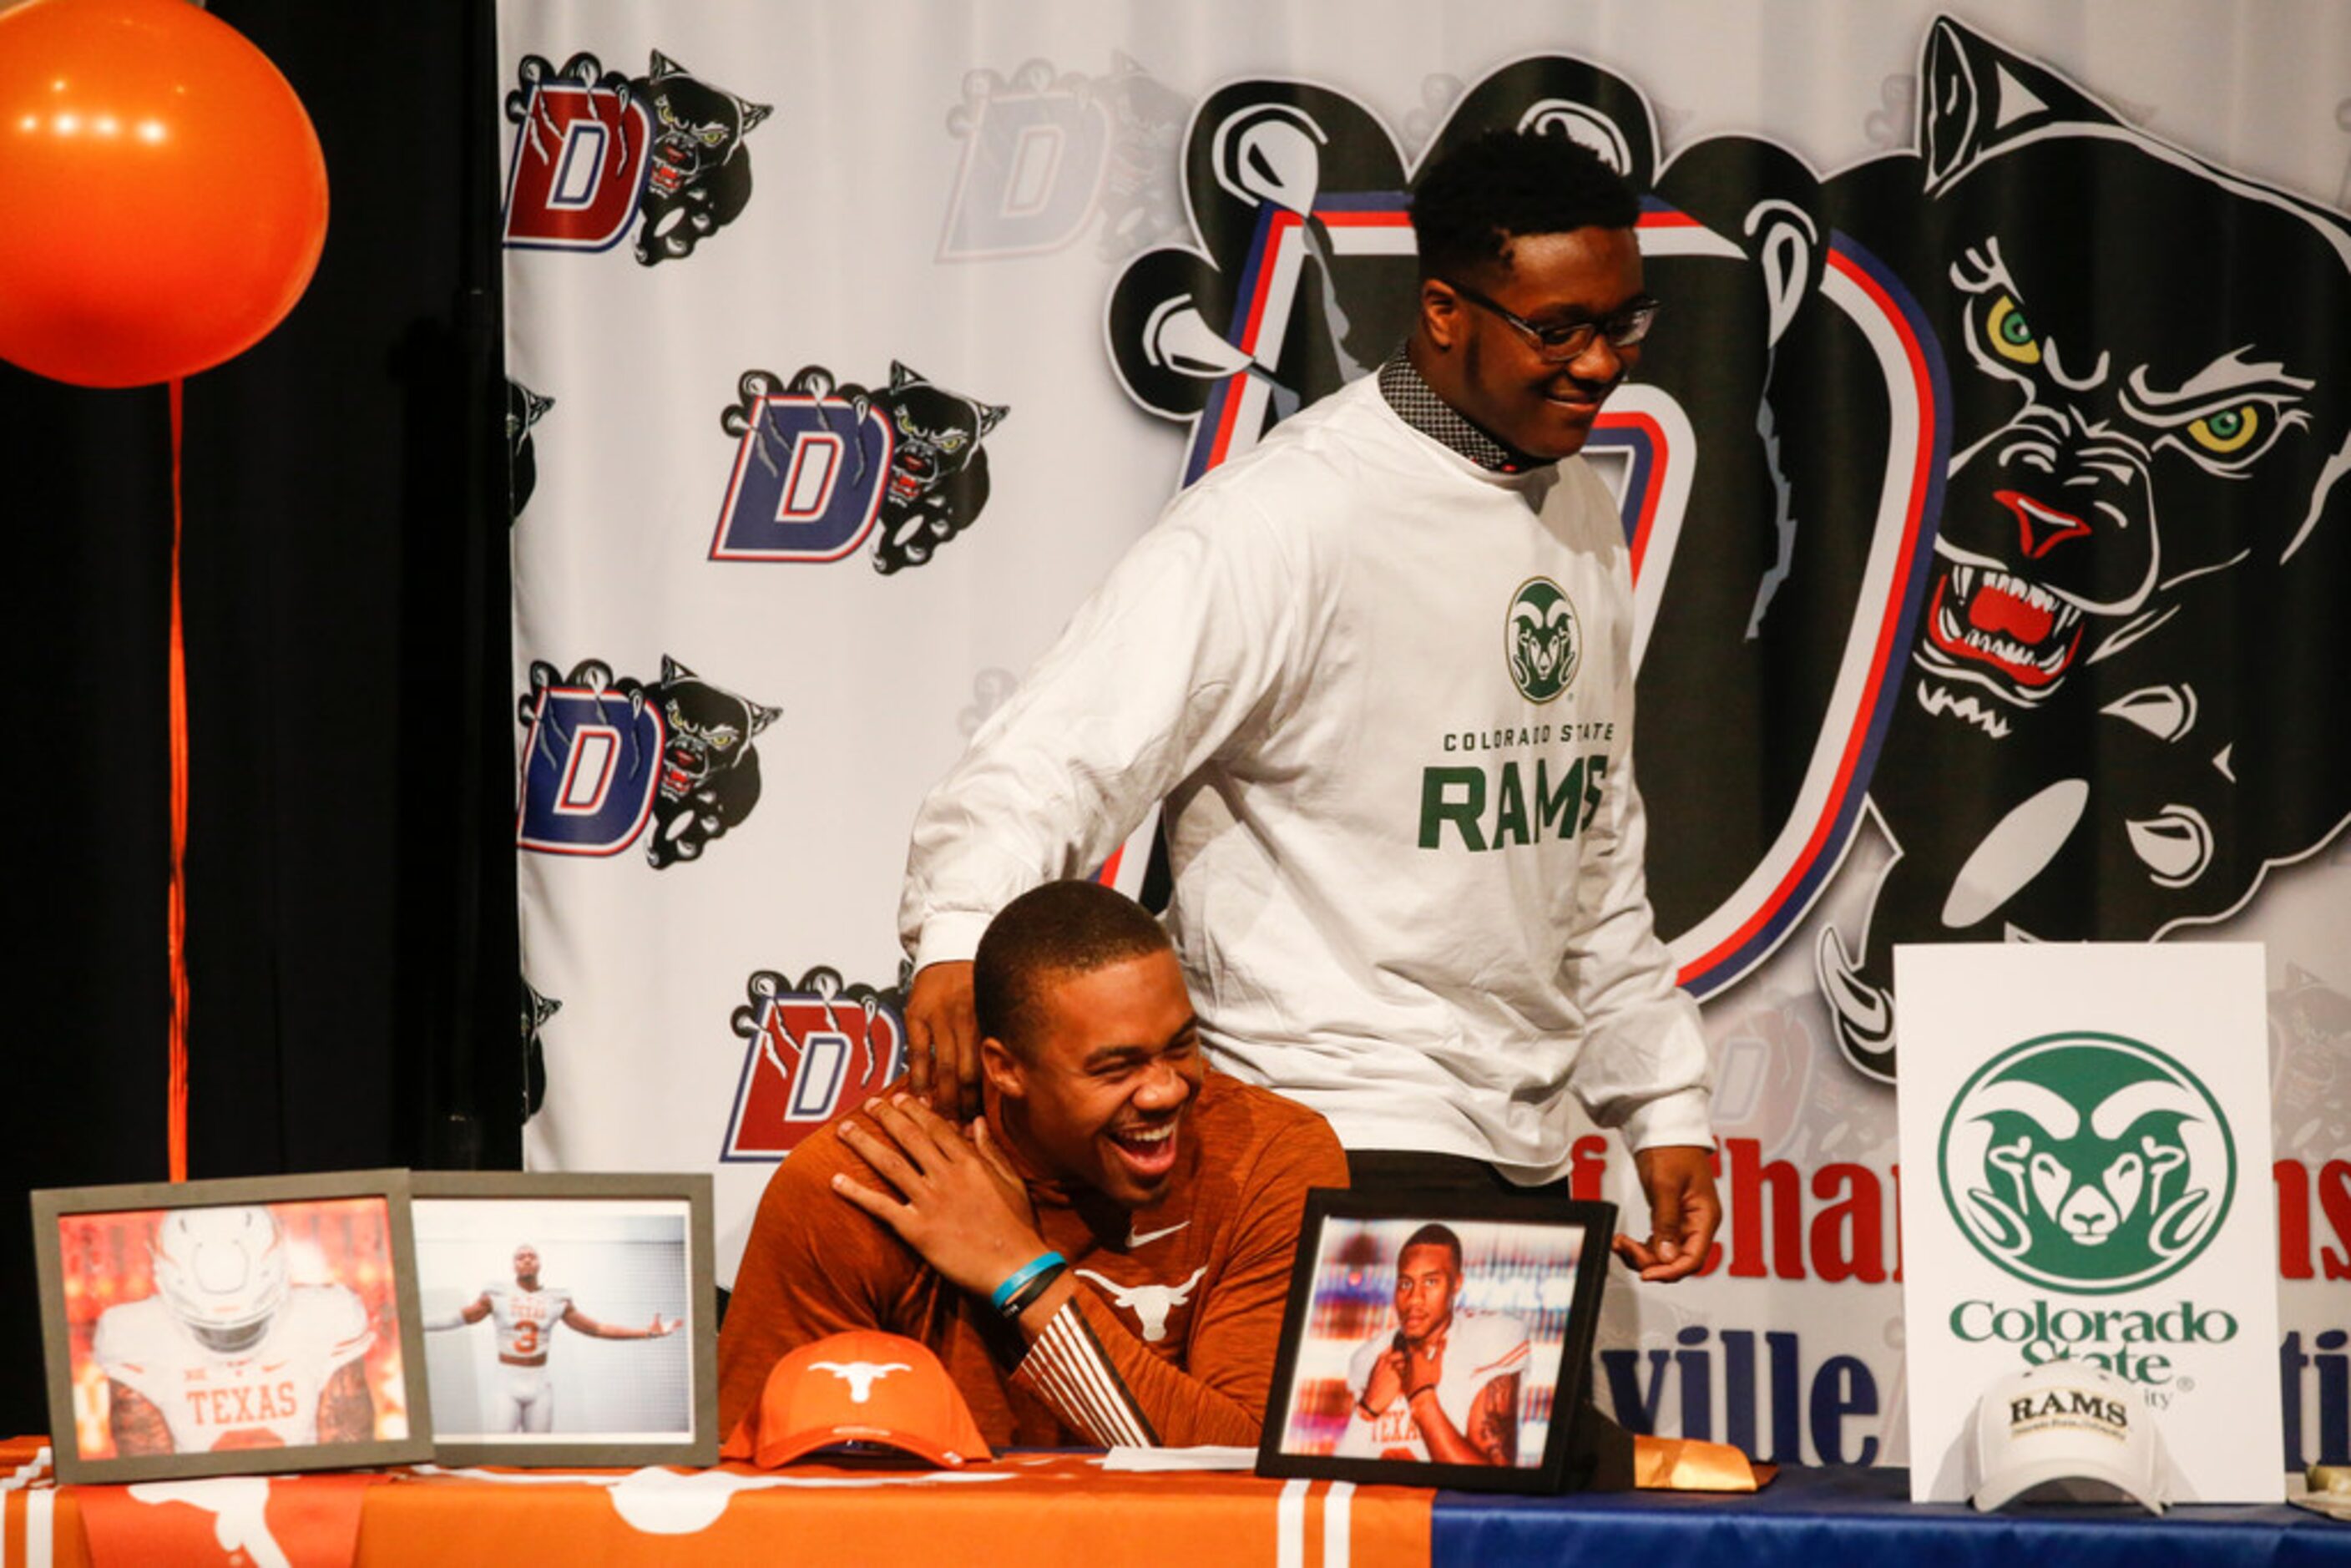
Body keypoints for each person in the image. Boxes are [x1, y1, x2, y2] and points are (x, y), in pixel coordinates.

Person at [896, 129, 1719, 1277]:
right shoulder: (1287, 520)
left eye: (1622, 323)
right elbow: (1053, 755)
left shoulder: (1577, 506)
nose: (1598, 363)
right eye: (1557, 329)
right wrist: (956, 938)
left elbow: (1585, 842)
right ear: (1443, 310)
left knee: (1537, 1459)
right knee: (1434, 1454)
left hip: (1524, 1132)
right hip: (1325, 1122)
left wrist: (1662, 1094)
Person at [717, 880, 1348, 1448]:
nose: (1166, 1091)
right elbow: (760, 1487)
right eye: (1115, 1067)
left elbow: (1249, 1471)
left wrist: (1021, 1273)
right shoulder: (857, 1186)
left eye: (1181, 1047)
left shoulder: (1273, 1158)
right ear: (1006, 1068)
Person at [93, 1205, 375, 1454]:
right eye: (210, 1329)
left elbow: (349, 1453)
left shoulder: (328, 1315)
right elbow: (146, 1471)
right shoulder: (134, 1335)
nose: (230, 1338)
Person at [426, 1242, 680, 1434]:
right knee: (498, 1449)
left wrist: (646, 1333)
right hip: (507, 1380)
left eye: (531, 1256)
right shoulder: (497, 1294)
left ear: (539, 1263)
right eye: (520, 1257)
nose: (526, 1260)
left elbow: (596, 1328)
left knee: (539, 1453)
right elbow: (461, 1318)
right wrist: (418, 1324)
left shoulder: (556, 1298)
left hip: (540, 1381)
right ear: (513, 1265)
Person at [1335, 1225, 1527, 1465]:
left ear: (1456, 1284)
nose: (1415, 1298)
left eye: (1431, 1282)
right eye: (1406, 1284)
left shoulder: (1491, 1337)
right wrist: (1367, 1410)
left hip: (1443, 1504)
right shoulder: (1369, 1357)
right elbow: (1339, 1479)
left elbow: (1495, 1483)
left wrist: (1422, 1400)